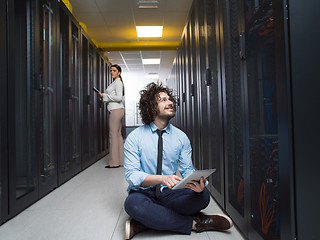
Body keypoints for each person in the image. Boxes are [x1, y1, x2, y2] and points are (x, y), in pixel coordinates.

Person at [123, 82, 233, 239]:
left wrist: (199, 185)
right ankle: (196, 223)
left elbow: (187, 170)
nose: (170, 102)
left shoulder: (181, 137)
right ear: (152, 108)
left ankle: (144, 223)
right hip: (143, 193)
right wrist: (162, 178)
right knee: (132, 205)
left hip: (169, 193)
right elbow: (132, 175)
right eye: (163, 100)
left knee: (203, 197)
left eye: (169, 99)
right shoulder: (135, 137)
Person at [99, 64, 125, 168]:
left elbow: (119, 97)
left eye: (114, 70)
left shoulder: (118, 82)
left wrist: (104, 96)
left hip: (116, 110)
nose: (112, 72)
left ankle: (114, 163)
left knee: (113, 135)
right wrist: (105, 97)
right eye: (111, 70)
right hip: (118, 110)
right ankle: (121, 161)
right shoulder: (116, 82)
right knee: (118, 135)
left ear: (119, 72)